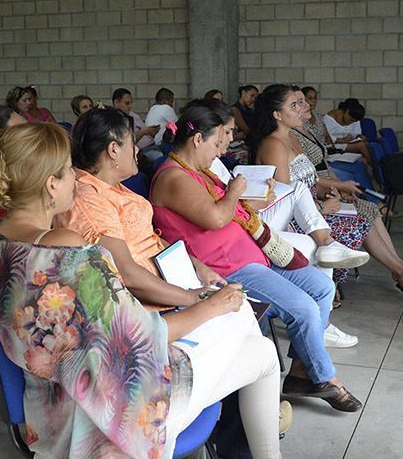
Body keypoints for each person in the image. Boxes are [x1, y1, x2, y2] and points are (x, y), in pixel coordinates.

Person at [0, 122, 282, 458]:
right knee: (254, 338)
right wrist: (209, 306)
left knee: (249, 337)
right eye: (68, 172)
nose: (75, 179)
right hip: (119, 408)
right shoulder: (68, 253)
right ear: (51, 185)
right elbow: (143, 336)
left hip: (51, 402)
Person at [151, 102, 363, 412]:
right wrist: (235, 190)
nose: (220, 150)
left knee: (322, 287)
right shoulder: (173, 177)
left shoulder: (200, 172)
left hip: (251, 256)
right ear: (197, 140)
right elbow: (215, 218)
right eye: (216, 141)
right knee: (303, 309)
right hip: (227, 266)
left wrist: (239, 193)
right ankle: (325, 377)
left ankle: (302, 373)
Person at [251, 84, 403, 297]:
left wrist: (329, 193)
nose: (302, 108)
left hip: (311, 210)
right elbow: (286, 199)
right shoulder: (273, 145)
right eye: (294, 105)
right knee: (359, 219)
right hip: (296, 222)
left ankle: (402, 271)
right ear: (277, 115)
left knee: (362, 213)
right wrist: (323, 207)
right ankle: (334, 287)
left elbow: (309, 180)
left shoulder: (291, 137)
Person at [301, 86, 378, 200]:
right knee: (349, 176)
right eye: (309, 98)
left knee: (359, 165)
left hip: (328, 154)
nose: (312, 102)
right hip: (317, 162)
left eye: (315, 98)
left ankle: (374, 201)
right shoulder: (300, 120)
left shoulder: (317, 117)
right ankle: (365, 202)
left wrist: (334, 150)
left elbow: (328, 138)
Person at [112, 87, 161, 159]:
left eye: (131, 103)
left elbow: (144, 131)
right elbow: (125, 143)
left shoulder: (132, 115)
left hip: (153, 145)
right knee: (160, 158)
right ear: (116, 103)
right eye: (127, 103)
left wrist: (151, 132)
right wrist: (143, 132)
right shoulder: (113, 119)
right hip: (141, 152)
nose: (130, 106)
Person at [323, 99, 373, 165]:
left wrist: (360, 136)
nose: (350, 123)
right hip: (333, 147)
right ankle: (376, 168)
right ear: (346, 111)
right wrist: (340, 140)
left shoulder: (355, 119)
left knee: (366, 152)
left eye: (353, 122)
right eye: (350, 120)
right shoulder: (329, 119)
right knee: (361, 146)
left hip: (347, 145)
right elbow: (324, 137)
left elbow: (356, 133)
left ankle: (374, 168)